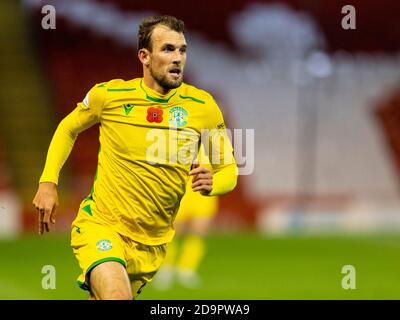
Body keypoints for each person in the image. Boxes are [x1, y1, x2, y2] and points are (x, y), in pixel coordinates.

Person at [32, 15, 237, 300]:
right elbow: (68, 127)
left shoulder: (203, 106)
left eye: (182, 50)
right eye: (167, 49)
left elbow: (228, 169)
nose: (178, 58)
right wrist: (48, 182)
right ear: (145, 56)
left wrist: (213, 182)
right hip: (102, 225)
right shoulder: (111, 96)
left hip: (152, 245)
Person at [153, 145, 218, 290]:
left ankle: (187, 269)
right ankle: (167, 269)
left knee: (199, 231)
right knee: (174, 232)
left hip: (204, 189)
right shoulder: (182, 131)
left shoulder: (214, 136)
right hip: (182, 188)